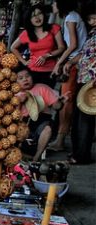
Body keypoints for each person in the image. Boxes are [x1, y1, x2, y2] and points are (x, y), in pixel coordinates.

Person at [52, 0, 88, 150]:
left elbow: (73, 44)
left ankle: (60, 140)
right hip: (77, 61)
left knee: (66, 101)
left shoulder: (70, 18)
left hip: (74, 62)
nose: (53, 5)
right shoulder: (73, 16)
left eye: (55, 2)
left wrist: (59, 63)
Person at [16, 69, 68, 162]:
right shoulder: (14, 93)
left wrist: (61, 102)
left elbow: (56, 106)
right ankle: (20, 155)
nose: (25, 79)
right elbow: (13, 115)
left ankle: (37, 157)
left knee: (47, 129)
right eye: (21, 78)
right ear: (16, 82)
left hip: (41, 118)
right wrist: (20, 102)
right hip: (22, 121)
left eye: (27, 76)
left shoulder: (42, 88)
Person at [11, 4, 66, 87]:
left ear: (43, 14)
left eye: (39, 14)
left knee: (47, 97)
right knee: (34, 97)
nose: (37, 18)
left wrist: (47, 55)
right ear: (29, 19)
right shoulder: (26, 33)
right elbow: (13, 47)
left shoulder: (54, 28)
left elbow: (61, 48)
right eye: (33, 16)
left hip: (50, 71)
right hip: (32, 72)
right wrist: (24, 62)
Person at [69, 8, 96, 165]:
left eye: (95, 18)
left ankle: (81, 156)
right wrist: (70, 62)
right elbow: (85, 54)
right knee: (79, 118)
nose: (93, 22)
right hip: (83, 78)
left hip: (92, 81)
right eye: (90, 19)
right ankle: (78, 152)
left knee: (85, 120)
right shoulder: (92, 35)